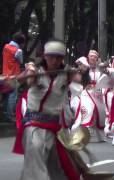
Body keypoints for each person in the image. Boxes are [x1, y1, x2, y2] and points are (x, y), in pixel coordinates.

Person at [11, 40, 82, 180]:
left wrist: (83, 71)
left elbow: (80, 78)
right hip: (34, 126)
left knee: (60, 167)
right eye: (51, 56)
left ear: (62, 58)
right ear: (45, 56)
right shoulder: (36, 72)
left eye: (58, 57)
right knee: (35, 165)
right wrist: (29, 71)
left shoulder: (66, 73)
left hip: (55, 128)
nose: (54, 60)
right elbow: (26, 81)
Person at [2, 32, 25, 122]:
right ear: (21, 43)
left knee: (6, 95)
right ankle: (10, 115)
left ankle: (4, 113)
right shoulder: (18, 51)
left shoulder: (5, 47)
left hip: (5, 75)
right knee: (12, 96)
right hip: (13, 76)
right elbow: (21, 61)